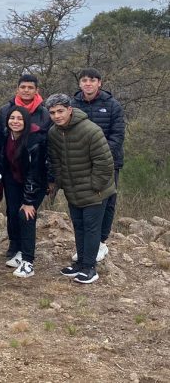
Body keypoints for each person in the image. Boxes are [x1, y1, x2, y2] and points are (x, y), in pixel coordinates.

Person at [46, 94, 115, 284]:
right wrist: (59, 184)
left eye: (60, 111)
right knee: (79, 227)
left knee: (92, 228)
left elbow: (105, 163)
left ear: (70, 109)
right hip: (73, 189)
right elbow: (56, 162)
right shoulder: (53, 133)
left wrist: (96, 187)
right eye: (52, 113)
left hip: (96, 191)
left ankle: (89, 268)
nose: (57, 116)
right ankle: (80, 264)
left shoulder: (91, 130)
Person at [71, 67, 124, 263]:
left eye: (92, 80)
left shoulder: (112, 105)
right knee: (83, 202)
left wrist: (99, 157)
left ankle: (100, 242)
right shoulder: (72, 104)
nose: (88, 83)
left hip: (109, 162)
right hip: (80, 163)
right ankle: (85, 245)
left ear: (99, 83)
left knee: (107, 201)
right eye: (84, 80)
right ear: (80, 83)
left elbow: (117, 136)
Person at [0, 107, 47, 277]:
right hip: (14, 180)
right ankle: (18, 251)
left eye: (20, 118)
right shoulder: (7, 135)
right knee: (12, 213)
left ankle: (28, 261)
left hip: (35, 183)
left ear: (26, 121)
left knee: (25, 215)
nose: (15, 121)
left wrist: (28, 201)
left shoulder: (35, 139)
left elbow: (34, 173)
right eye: (12, 118)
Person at [0, 74, 52, 142]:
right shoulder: (4, 111)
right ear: (17, 89)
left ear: (36, 90)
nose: (26, 90)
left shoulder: (45, 113)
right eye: (23, 87)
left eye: (30, 87)